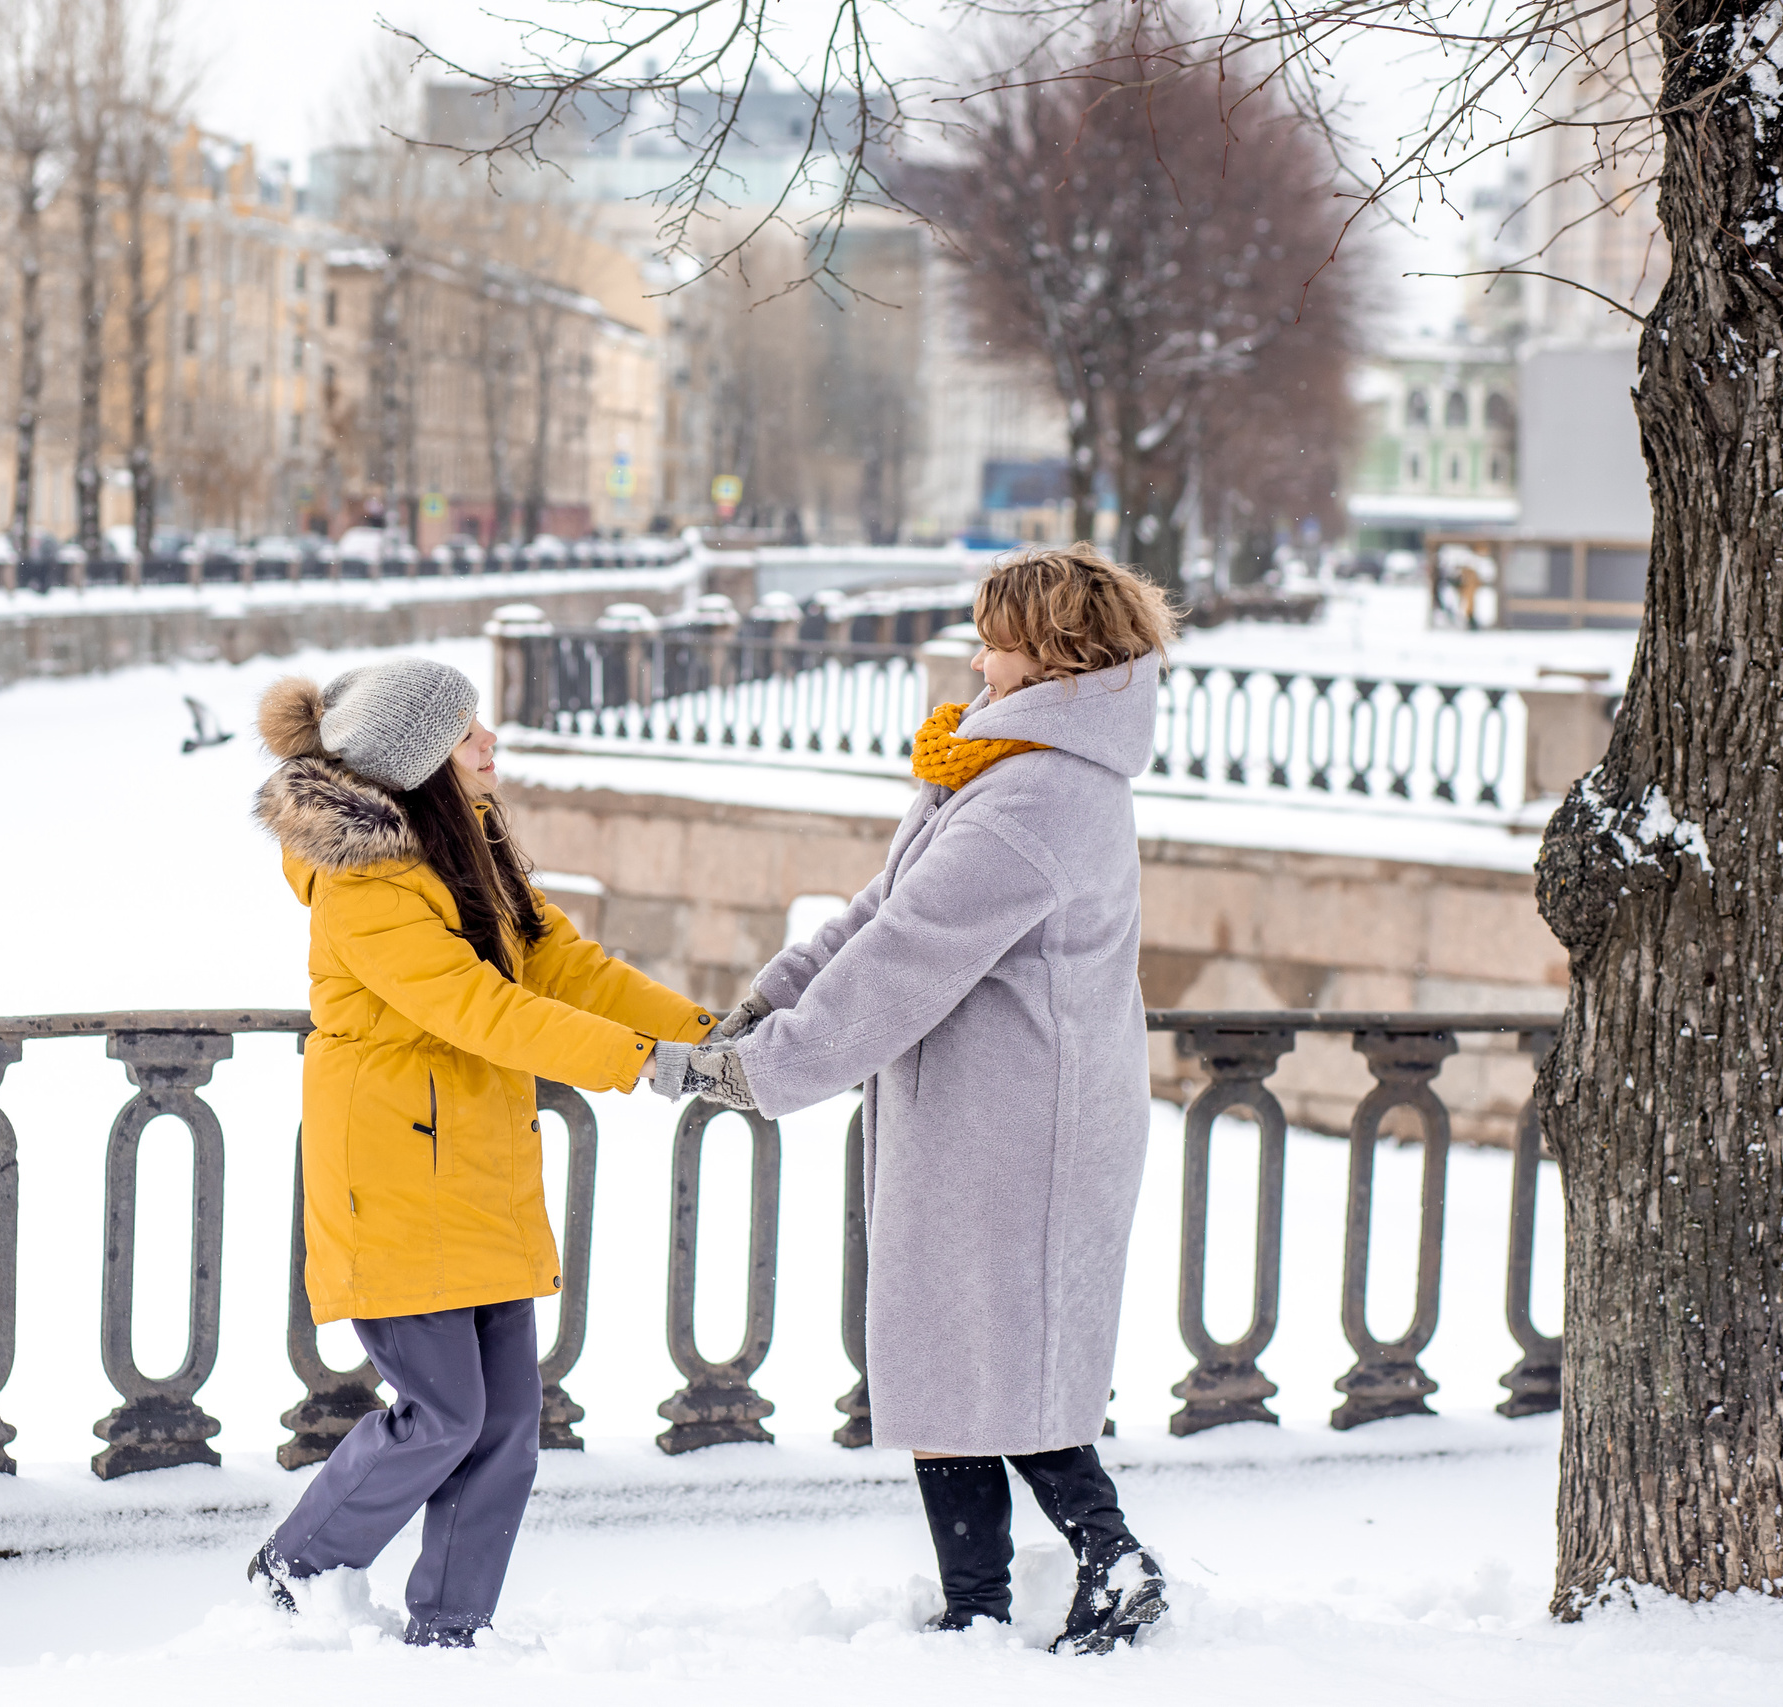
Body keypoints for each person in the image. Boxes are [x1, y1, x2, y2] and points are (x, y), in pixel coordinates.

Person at [647, 544, 1175, 1654]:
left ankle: (1110, 1557)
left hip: (1022, 1123)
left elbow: (904, 958)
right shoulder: (1001, 767)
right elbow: (876, 912)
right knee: (949, 1356)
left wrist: (768, 1068)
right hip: (976, 1110)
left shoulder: (1040, 793)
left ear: (1050, 655)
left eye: (992, 635)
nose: (973, 652)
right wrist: (766, 1002)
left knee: (1000, 1358)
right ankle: (976, 1604)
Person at [247, 658, 717, 1648]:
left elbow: (557, 961)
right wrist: (641, 1064)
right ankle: (294, 1571)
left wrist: (704, 1033)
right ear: (421, 761)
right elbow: (478, 1010)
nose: (491, 745)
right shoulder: (362, 882)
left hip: (475, 1170)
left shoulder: (465, 843)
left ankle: (451, 1628)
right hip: (392, 1176)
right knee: (444, 1415)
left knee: (505, 1426)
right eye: (470, 734)